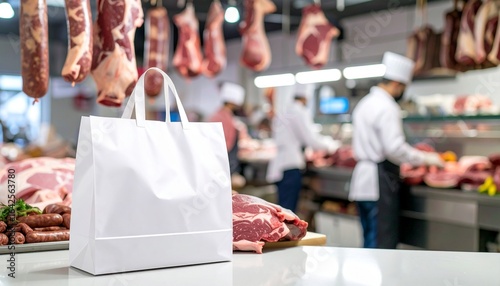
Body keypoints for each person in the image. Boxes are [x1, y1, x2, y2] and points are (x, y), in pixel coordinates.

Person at [349, 52, 445, 249]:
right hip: (380, 181)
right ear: (396, 84)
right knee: (381, 242)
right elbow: (394, 148)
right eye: (403, 87)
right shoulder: (387, 106)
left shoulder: (364, 103)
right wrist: (426, 159)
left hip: (362, 181)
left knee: (369, 238)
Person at [267, 93, 340, 213]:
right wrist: (332, 145)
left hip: (281, 164)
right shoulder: (299, 111)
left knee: (283, 209)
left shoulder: (286, 110)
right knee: (287, 212)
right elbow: (312, 140)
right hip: (290, 166)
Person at [208, 82, 246, 187]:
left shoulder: (223, 115)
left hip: (225, 161)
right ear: (231, 102)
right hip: (223, 162)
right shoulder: (222, 117)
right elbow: (224, 144)